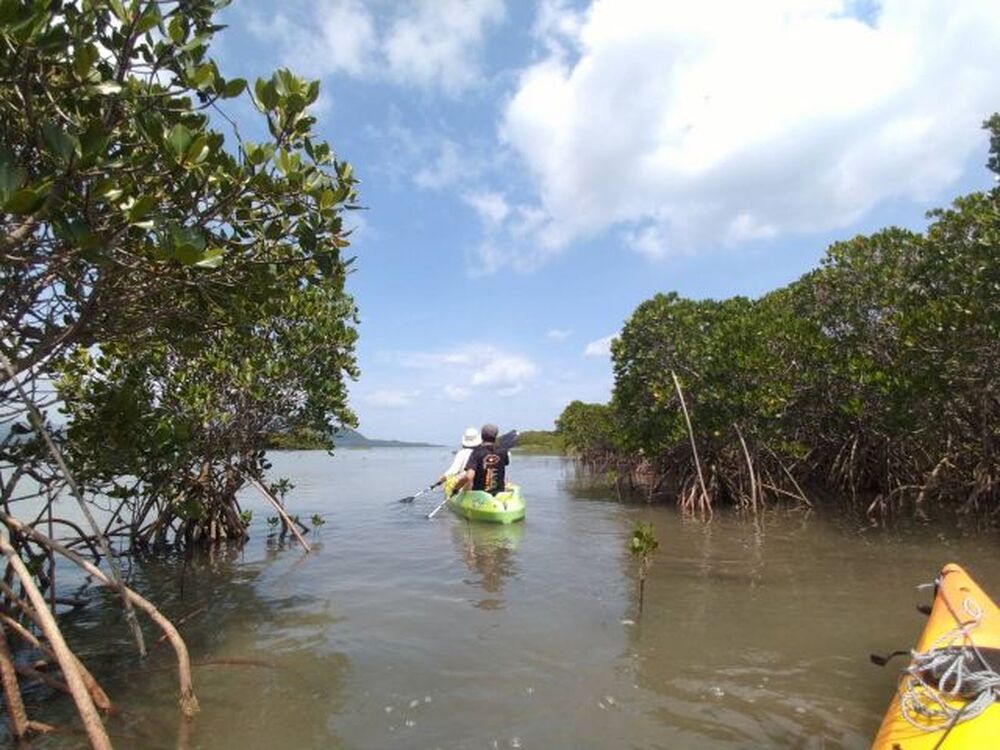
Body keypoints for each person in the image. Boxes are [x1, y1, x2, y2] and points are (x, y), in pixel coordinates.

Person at [453, 423, 510, 496]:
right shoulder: (503, 451)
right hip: (499, 494)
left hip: (480, 495)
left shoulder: (477, 452)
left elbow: (469, 476)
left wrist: (456, 488)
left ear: (481, 436)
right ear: (496, 436)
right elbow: (503, 465)